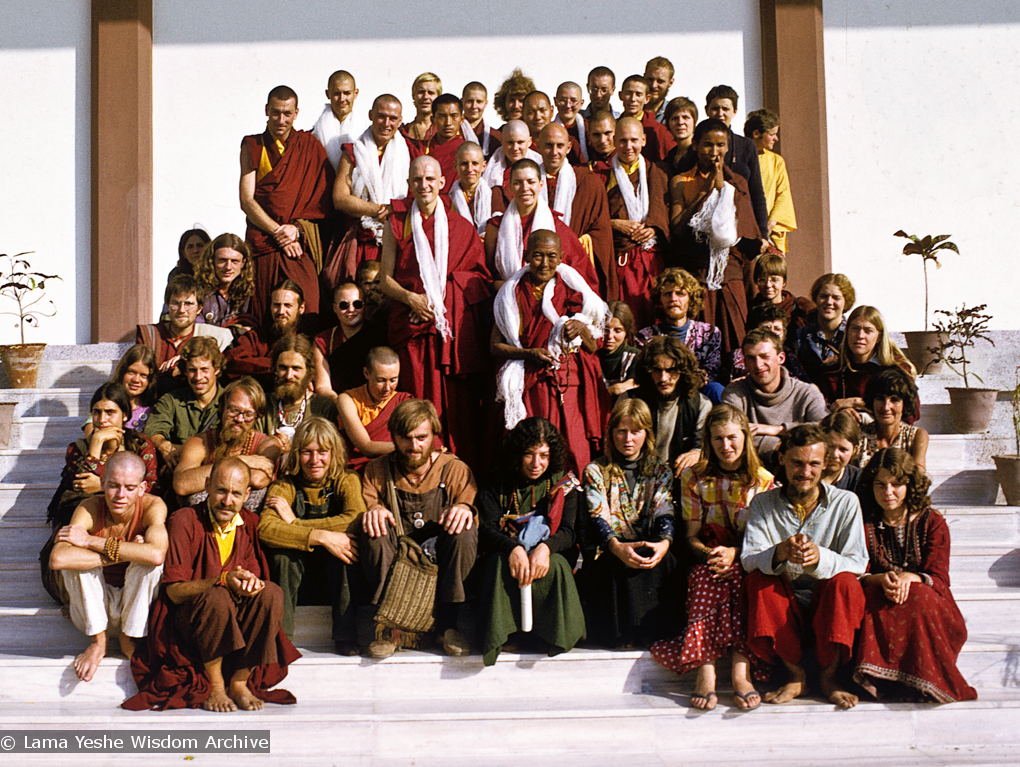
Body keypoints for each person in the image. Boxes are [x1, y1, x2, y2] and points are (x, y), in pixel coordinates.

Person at [123, 457, 301, 712]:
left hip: (233, 622)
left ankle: (239, 682)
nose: (227, 501)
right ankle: (216, 686)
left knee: (271, 592)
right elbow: (173, 591)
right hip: (190, 623)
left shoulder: (249, 523)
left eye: (236, 494)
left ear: (247, 494)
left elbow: (252, 575)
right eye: (221, 490)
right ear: (207, 485)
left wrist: (250, 584)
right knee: (217, 597)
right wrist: (222, 581)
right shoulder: (184, 520)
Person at [650, 405, 774, 710]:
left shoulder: (762, 480)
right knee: (707, 578)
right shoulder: (695, 476)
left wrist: (735, 554)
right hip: (708, 555)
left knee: (743, 579)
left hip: (747, 555)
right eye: (717, 439)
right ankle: (705, 671)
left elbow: (764, 538)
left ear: (745, 437)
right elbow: (691, 536)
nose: (726, 446)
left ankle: (740, 671)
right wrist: (714, 555)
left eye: (732, 437)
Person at [740, 424, 868, 708]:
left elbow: (857, 562)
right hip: (783, 603)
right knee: (758, 581)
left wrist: (820, 558)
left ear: (825, 465)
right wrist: (779, 552)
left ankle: (829, 676)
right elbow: (749, 560)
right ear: (782, 458)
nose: (805, 472)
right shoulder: (763, 503)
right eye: (797, 462)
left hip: (828, 602)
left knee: (845, 582)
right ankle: (795, 675)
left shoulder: (845, 502)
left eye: (813, 464)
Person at [379, 155, 494, 460]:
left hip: (449, 331)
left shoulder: (461, 227)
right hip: (414, 327)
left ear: (442, 183)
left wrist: (443, 299)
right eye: (417, 180)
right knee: (416, 398)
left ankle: (455, 464)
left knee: (454, 408)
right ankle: (416, 462)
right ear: (409, 184)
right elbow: (384, 280)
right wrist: (412, 299)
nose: (424, 185)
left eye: (430, 179)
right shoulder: (397, 223)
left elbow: (478, 278)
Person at [854, 448, 977, 703]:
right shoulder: (862, 522)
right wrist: (878, 579)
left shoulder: (932, 522)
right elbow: (856, 568)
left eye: (897, 484)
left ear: (910, 484)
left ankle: (924, 680)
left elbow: (939, 578)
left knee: (917, 594)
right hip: (881, 597)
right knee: (873, 594)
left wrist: (912, 578)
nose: (888, 492)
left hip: (929, 604)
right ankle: (883, 681)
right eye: (880, 485)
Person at [359, 399, 478, 658]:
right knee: (372, 530)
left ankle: (448, 625)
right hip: (398, 553)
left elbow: (470, 505)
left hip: (439, 555)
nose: (414, 446)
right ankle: (389, 629)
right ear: (393, 436)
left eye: (422, 437)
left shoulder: (455, 469)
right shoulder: (377, 470)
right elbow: (366, 505)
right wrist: (374, 510)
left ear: (434, 434)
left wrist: (464, 508)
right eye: (405, 438)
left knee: (465, 528)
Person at [491, 229, 610, 475]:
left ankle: (573, 506)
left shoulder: (575, 289)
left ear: (561, 257)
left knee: (574, 447)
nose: (544, 263)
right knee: (535, 447)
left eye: (551, 256)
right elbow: (495, 347)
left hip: (570, 382)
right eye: (537, 256)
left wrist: (582, 329)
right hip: (532, 383)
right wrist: (529, 354)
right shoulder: (510, 295)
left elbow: (592, 346)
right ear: (526, 256)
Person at [48, 452, 168, 682]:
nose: (120, 495)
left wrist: (92, 542)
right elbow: (59, 559)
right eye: (113, 486)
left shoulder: (154, 506)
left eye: (130, 488)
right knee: (76, 563)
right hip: (93, 609)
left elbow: (155, 554)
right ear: (102, 483)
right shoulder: (89, 507)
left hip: (135, 608)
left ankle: (129, 637)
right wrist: (127, 552)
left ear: (143, 488)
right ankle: (98, 642)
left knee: (149, 566)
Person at [476, 417, 586, 665]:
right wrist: (512, 547)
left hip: (548, 553)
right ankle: (506, 634)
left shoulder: (562, 482)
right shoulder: (497, 481)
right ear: (517, 453)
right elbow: (485, 527)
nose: (537, 464)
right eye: (529, 454)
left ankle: (550, 635)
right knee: (497, 564)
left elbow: (569, 531)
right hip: (506, 552)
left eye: (544, 455)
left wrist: (546, 548)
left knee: (556, 564)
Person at [258, 417, 366, 654]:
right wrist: (323, 537)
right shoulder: (284, 485)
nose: (315, 460)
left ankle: (346, 635)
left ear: (333, 452)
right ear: (297, 454)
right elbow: (266, 528)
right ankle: (281, 639)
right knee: (283, 558)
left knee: (346, 552)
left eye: (322, 452)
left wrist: (295, 523)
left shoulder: (346, 480)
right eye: (307, 452)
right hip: (298, 577)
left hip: (335, 578)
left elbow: (355, 518)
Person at [582, 399, 678, 647]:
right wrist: (616, 546)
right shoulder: (596, 470)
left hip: (648, 543)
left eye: (636, 431)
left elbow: (663, 509)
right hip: (612, 548)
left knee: (663, 560)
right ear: (611, 432)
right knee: (614, 563)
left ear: (646, 433)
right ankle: (622, 634)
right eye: (621, 431)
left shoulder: (660, 471)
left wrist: (664, 543)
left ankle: (651, 632)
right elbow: (598, 515)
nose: (628, 439)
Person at [240, 86, 334, 324]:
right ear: (266, 111)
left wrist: (297, 230)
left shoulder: (309, 146)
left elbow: (322, 201)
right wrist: (278, 233)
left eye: (287, 113)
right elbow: (246, 199)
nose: (281, 120)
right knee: (265, 311)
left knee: (309, 304)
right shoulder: (253, 145)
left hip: (298, 241)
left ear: (296, 113)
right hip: (265, 240)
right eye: (275, 113)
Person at [670, 118, 762, 356]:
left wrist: (723, 189)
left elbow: (748, 236)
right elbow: (678, 228)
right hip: (697, 275)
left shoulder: (738, 183)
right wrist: (706, 191)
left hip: (730, 277)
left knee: (736, 344)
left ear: (728, 147)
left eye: (720, 145)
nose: (714, 152)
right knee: (698, 348)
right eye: (707, 145)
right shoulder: (681, 181)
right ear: (695, 146)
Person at [48, 383, 159, 528]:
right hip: (89, 516)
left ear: (125, 415)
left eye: (110, 412)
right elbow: (83, 487)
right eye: (96, 412)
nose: (102, 420)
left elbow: (151, 486)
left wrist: (102, 486)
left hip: (130, 514)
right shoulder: (78, 448)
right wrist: (96, 444)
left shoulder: (140, 444)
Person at [328, 94, 411, 285]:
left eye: (393, 118)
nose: (386, 123)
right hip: (360, 239)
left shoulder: (409, 153)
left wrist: (395, 209)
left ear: (400, 121)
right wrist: (381, 209)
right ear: (371, 115)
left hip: (395, 239)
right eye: (381, 116)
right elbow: (339, 198)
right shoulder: (353, 151)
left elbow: (417, 195)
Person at [485, 159, 598, 290]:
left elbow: (580, 273)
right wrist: (500, 286)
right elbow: (486, 273)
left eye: (530, 182)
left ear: (541, 184)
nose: (524, 188)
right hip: (506, 298)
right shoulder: (496, 227)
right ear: (509, 187)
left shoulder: (556, 227)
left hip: (549, 298)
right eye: (517, 183)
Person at [721, 328, 829, 465]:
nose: (758, 365)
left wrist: (779, 429)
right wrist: (778, 447)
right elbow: (731, 437)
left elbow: (824, 430)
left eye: (765, 357)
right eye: (751, 358)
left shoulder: (807, 393)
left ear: (781, 358)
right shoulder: (734, 393)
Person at [173, 377, 282, 511]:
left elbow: (258, 479)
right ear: (221, 407)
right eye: (234, 410)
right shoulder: (199, 443)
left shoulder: (267, 444)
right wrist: (240, 460)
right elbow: (181, 484)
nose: (239, 419)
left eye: (248, 414)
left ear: (257, 417)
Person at [536, 123, 616, 299]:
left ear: (569, 147)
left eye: (560, 146)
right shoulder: (530, 182)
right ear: (538, 146)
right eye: (548, 145)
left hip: (576, 264)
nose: (554, 151)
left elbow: (601, 232)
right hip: (537, 266)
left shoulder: (588, 182)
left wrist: (574, 244)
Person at [605, 116, 670, 327]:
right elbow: (593, 218)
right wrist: (613, 223)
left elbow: (667, 209)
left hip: (652, 260)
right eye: (623, 140)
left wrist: (654, 227)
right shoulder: (602, 174)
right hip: (621, 260)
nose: (628, 146)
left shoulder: (658, 171)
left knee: (655, 314)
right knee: (625, 317)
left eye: (634, 140)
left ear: (643, 140)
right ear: (614, 141)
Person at [683, 85, 768, 235]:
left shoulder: (746, 146)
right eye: (715, 108)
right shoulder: (696, 146)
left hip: (741, 222)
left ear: (735, 111)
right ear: (706, 110)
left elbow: (756, 192)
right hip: (705, 224)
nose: (720, 113)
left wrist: (762, 233)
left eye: (726, 109)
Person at [634, 268, 724, 403]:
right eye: (667, 294)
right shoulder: (646, 337)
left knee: (716, 389)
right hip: (660, 392)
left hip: (698, 392)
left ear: (690, 299)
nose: (673, 299)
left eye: (680, 294)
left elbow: (710, 372)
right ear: (660, 300)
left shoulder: (709, 333)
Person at [630, 336, 711, 479]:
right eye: (656, 370)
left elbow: (705, 445)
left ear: (683, 370)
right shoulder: (631, 400)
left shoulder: (700, 404)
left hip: (681, 477)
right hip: (637, 474)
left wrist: (697, 452)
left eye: (671, 370)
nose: (663, 378)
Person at [816, 306, 917, 421]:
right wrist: (839, 413)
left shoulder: (898, 370)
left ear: (879, 337)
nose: (860, 336)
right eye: (855, 328)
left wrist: (857, 402)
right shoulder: (832, 372)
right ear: (847, 332)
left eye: (868, 330)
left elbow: (910, 414)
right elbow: (820, 413)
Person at [136, 275, 232, 390]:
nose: (182, 310)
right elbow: (139, 375)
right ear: (167, 305)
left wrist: (183, 365)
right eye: (175, 303)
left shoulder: (208, 336)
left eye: (188, 304)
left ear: (199, 309)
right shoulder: (150, 335)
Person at [144, 337, 225, 473]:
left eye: (204, 370)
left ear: (216, 369)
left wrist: (187, 452)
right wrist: (163, 445)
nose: (198, 377)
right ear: (185, 371)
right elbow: (153, 431)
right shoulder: (171, 400)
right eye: (192, 370)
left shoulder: (230, 401)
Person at [337, 346, 412, 473]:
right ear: (366, 373)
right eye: (381, 380)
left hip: (396, 466)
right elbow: (366, 447)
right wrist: (408, 447)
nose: (388, 388)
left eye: (393, 380)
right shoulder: (348, 400)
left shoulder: (403, 401)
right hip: (358, 471)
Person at [312, 281, 386, 399]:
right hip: (336, 401)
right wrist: (340, 403)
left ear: (364, 306)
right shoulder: (324, 339)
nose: (351, 310)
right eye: (343, 306)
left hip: (373, 400)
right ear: (334, 308)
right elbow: (323, 386)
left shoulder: (377, 335)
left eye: (357, 304)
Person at [224, 280, 306, 382]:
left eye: (287, 305)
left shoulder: (309, 339)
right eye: (276, 305)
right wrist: (276, 365)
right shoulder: (256, 336)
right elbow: (234, 360)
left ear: (301, 308)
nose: (281, 311)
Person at [265, 335, 339, 442]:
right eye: (283, 368)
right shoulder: (264, 404)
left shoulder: (324, 407)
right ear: (275, 369)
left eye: (296, 368)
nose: (289, 375)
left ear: (308, 371)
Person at [855, 367, 929, 471]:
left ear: (905, 404)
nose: (886, 407)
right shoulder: (858, 436)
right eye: (880, 399)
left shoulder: (916, 436)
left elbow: (918, 477)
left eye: (894, 400)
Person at [744, 109, 796, 252]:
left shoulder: (776, 161)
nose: (776, 139)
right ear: (756, 134)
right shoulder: (739, 157)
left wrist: (769, 225)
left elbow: (783, 195)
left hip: (769, 234)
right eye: (772, 134)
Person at [793, 273, 856, 385]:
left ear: (846, 301)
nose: (829, 302)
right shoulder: (799, 337)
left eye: (836, 297)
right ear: (816, 299)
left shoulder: (854, 336)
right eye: (823, 296)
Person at [727, 302, 811, 384]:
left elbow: (804, 383)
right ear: (752, 331)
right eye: (766, 328)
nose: (772, 333)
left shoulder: (789, 355)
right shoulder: (739, 355)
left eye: (777, 329)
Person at [192, 233, 256, 333]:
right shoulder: (197, 291)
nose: (228, 267)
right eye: (222, 260)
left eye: (235, 261)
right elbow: (197, 331)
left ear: (243, 263)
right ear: (211, 261)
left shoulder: (248, 291)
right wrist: (234, 332)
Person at [90, 344, 157, 435]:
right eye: (131, 372)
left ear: (150, 379)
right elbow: (90, 440)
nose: (136, 380)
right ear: (122, 372)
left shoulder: (154, 408)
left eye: (143, 375)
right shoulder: (103, 404)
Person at [312, 70, 365, 171]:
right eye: (337, 93)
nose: (342, 98)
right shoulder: (315, 134)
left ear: (355, 93)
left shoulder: (364, 131)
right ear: (328, 94)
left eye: (347, 93)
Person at [617, 75, 675, 162]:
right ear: (620, 96)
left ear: (647, 99)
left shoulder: (657, 130)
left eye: (638, 94)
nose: (633, 99)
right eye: (628, 93)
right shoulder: (613, 127)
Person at [480, 120, 542, 200]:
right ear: (502, 141)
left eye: (520, 142)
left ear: (529, 141)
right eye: (510, 143)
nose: (515, 148)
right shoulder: (491, 166)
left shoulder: (540, 164)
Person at [749, 253, 813, 330]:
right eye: (762, 280)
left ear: (784, 282)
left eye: (774, 280)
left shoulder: (798, 307)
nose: (768, 285)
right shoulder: (750, 308)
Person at [418, 93, 465, 193]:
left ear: (462, 119)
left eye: (454, 116)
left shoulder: (466, 152)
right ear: (432, 120)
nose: (448, 122)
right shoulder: (420, 149)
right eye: (442, 117)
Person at [449, 141, 491, 236]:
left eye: (475, 163)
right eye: (464, 164)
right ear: (456, 166)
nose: (470, 169)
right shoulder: (447, 201)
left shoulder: (495, 195)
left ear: (483, 166)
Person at [599, 301, 640, 398]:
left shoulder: (636, 357)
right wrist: (615, 389)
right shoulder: (589, 357)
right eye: (605, 329)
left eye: (617, 330)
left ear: (627, 332)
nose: (610, 336)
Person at [820, 410, 862, 491]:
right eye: (829, 446)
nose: (835, 454)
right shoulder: (806, 474)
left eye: (843, 449)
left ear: (854, 450)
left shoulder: (859, 481)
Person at [461, 81, 500, 160]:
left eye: (479, 102)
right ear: (462, 101)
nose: (474, 106)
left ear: (486, 103)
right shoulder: (453, 132)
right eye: (469, 101)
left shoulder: (496, 136)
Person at [553, 81, 588, 163]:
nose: (568, 105)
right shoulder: (550, 130)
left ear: (581, 103)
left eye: (573, 100)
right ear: (555, 101)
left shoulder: (589, 128)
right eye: (563, 100)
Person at [401, 72, 440, 144]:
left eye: (431, 92)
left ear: (438, 97)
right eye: (421, 92)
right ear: (413, 96)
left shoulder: (443, 130)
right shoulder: (403, 132)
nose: (425, 97)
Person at [663, 97, 697, 173]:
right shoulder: (669, 158)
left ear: (694, 121)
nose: (680, 122)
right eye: (674, 118)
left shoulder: (700, 154)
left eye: (685, 117)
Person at [643, 57, 675, 124]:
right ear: (644, 77)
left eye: (660, 81)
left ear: (670, 83)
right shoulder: (632, 110)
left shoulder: (674, 114)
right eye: (650, 79)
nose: (654, 85)